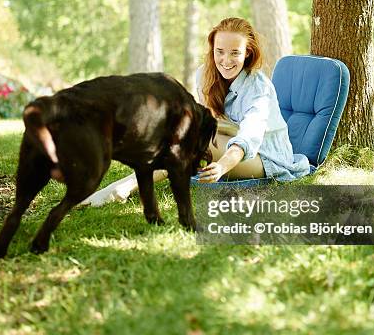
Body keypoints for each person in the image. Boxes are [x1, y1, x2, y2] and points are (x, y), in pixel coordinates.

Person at [81, 17, 309, 206]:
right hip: (228, 139)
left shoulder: (258, 89)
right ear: (212, 49)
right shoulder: (204, 74)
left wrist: (222, 166)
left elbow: (248, 138)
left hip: (266, 157)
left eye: (235, 53)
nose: (226, 60)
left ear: (247, 53)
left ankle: (123, 187)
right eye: (220, 51)